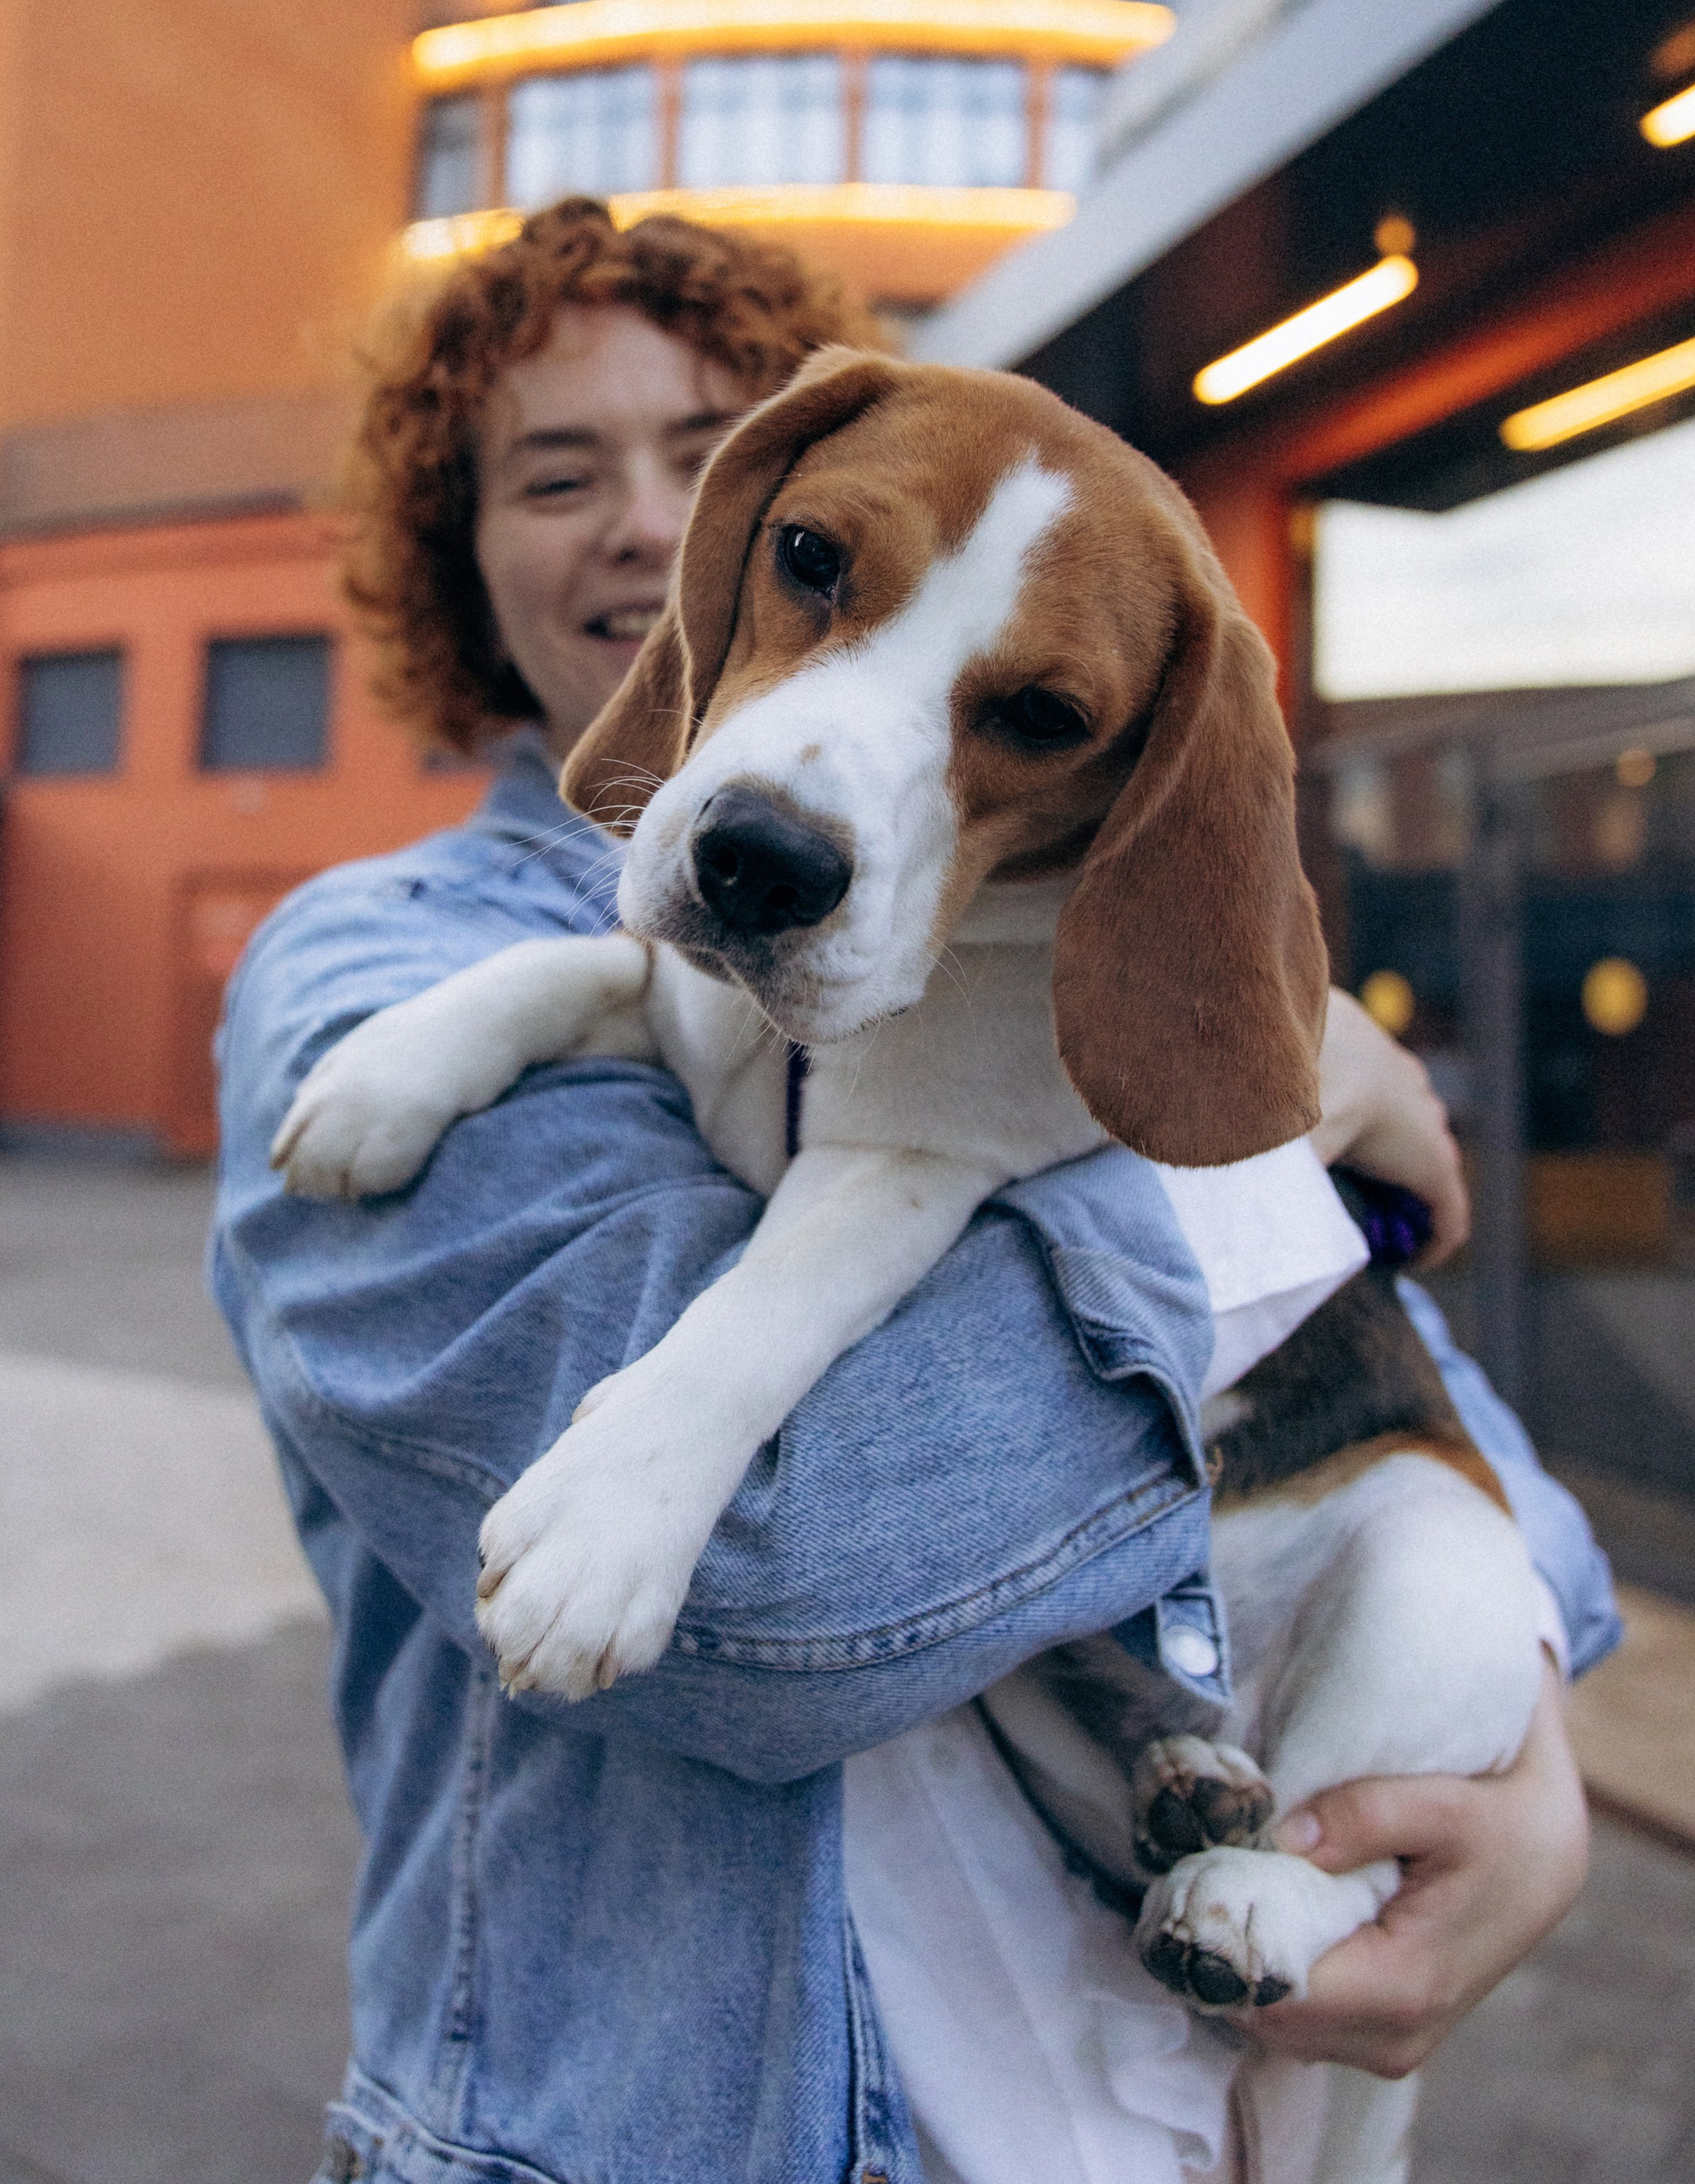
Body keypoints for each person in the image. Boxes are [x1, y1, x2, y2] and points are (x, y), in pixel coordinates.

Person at [212, 198, 1614, 2184]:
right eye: (555, 469)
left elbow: (1473, 1471)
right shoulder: (356, 968)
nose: (638, 516)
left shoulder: (1119, 936)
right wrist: (1294, 1137)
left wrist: (1533, 1773)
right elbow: (777, 1590)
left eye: (695, 447)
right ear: (463, 536)